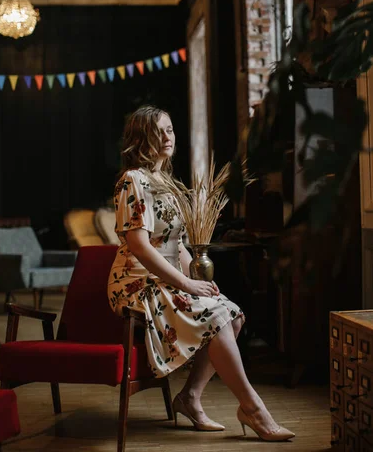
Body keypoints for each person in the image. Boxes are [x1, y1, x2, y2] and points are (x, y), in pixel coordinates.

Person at [107, 104, 295, 442]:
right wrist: (184, 282)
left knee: (232, 314)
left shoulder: (164, 182)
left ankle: (190, 398)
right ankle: (252, 408)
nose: (168, 137)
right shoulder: (132, 180)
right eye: (159, 131)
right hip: (135, 281)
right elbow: (140, 245)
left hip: (163, 276)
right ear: (141, 138)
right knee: (218, 317)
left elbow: (173, 243)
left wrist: (197, 280)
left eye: (170, 129)